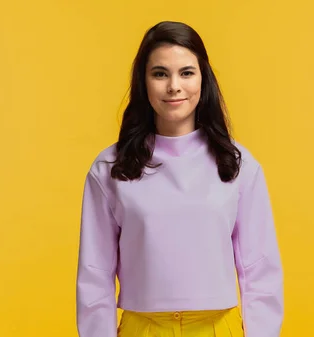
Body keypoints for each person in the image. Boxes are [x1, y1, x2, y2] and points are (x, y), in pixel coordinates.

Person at [76, 21, 283, 337]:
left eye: (186, 72)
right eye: (160, 73)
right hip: (142, 329)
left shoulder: (238, 164)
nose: (174, 86)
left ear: (203, 80)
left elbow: (260, 267)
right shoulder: (110, 167)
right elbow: (95, 272)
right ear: (144, 82)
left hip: (218, 328)